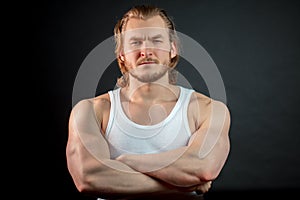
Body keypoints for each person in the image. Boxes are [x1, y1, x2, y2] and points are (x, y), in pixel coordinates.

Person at [66, 4, 231, 200]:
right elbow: (88, 178)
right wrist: (182, 187)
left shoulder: (209, 110)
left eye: (156, 40)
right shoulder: (90, 111)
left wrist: (127, 161)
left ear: (172, 49)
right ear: (121, 54)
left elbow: (202, 168)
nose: (146, 51)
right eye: (135, 43)